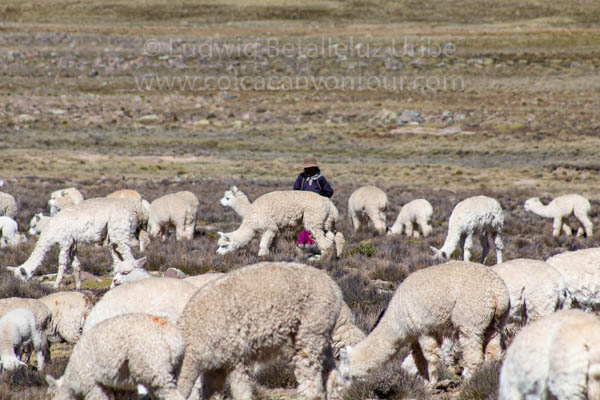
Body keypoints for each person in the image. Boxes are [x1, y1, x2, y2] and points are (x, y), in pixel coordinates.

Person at [293, 156, 334, 249]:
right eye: (306, 168)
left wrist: (322, 200)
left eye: (310, 168)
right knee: (302, 225)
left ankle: (315, 246)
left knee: (314, 225)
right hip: (302, 205)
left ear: (314, 168)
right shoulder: (301, 177)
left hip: (316, 207)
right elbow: (295, 190)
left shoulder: (320, 179)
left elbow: (329, 191)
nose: (308, 170)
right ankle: (302, 245)